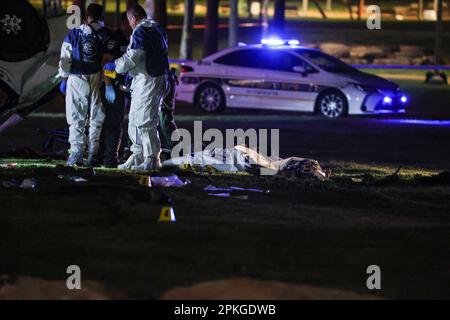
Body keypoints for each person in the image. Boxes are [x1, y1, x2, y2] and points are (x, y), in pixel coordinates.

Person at [104, 5, 169, 171]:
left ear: (133, 19)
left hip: (149, 81)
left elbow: (134, 56)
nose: (129, 24)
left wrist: (115, 66)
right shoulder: (156, 28)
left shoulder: (141, 31)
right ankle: (137, 155)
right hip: (146, 79)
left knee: (145, 120)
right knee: (134, 118)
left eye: (129, 20)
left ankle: (151, 158)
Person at [59, 3, 111, 166]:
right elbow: (110, 61)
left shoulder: (74, 33)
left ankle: (76, 153)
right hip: (98, 77)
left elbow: (65, 58)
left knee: (76, 117)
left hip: (76, 77)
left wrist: (64, 78)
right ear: (102, 17)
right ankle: (93, 154)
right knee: (96, 116)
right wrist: (108, 83)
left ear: (86, 17)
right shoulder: (106, 35)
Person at [99, 13, 132, 168]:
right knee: (114, 123)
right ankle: (108, 158)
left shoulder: (132, 38)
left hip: (126, 87)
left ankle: (110, 155)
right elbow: (106, 63)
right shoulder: (115, 39)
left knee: (120, 122)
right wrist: (109, 85)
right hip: (113, 86)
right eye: (130, 23)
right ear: (123, 23)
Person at [158, 67, 180, 154]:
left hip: (165, 79)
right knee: (164, 118)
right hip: (166, 78)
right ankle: (172, 148)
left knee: (165, 118)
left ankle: (176, 150)